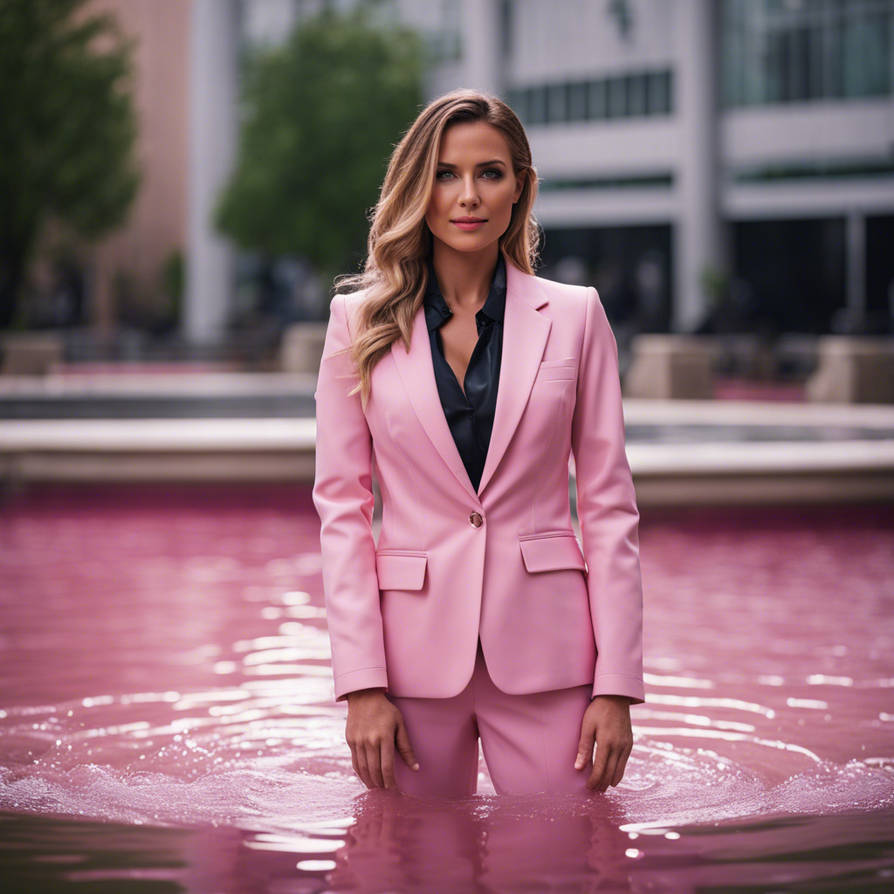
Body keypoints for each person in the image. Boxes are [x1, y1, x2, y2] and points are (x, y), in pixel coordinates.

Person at [312, 88, 644, 799]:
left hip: (551, 658)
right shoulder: (355, 323)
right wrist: (361, 685)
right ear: (418, 187)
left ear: (519, 186)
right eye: (445, 174)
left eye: (490, 173)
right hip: (408, 665)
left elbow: (610, 508)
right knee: (410, 852)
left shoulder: (577, 316)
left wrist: (616, 685)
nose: (468, 196)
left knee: (563, 850)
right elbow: (342, 511)